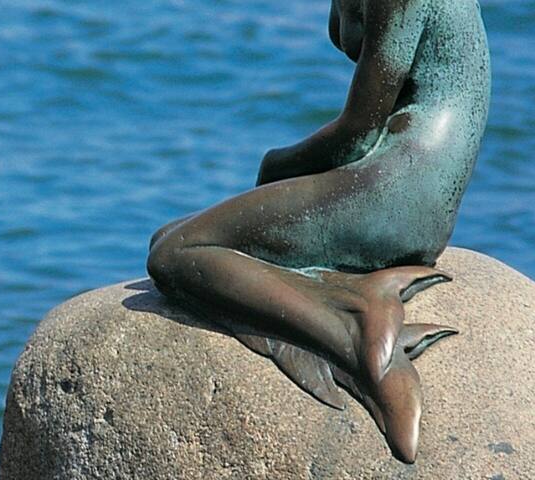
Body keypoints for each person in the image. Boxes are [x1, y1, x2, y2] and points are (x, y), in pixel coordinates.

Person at [144, 0, 489, 464]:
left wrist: (277, 165)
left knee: (175, 255)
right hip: (404, 181)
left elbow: (359, 131)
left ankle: (355, 337)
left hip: (402, 190)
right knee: (173, 238)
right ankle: (336, 291)